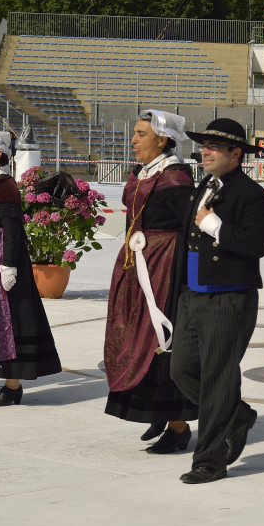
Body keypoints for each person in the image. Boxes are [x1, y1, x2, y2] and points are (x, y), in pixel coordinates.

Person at [169, 118, 264, 484]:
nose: (205, 151)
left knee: (217, 380)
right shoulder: (205, 185)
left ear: (236, 154)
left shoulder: (250, 193)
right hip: (193, 295)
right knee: (180, 369)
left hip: (228, 298)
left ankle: (210, 461)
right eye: (204, 145)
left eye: (214, 146)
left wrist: (215, 226)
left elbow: (258, 245)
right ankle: (237, 415)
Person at [103, 111, 197, 451]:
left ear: (162, 139)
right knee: (133, 334)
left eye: (141, 134)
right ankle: (157, 412)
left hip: (164, 269)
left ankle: (177, 425)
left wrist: (182, 281)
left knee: (159, 337)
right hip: (137, 264)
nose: (133, 140)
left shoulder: (176, 180)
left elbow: (189, 231)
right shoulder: (146, 173)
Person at [0, 132, 62, 406]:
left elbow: (12, 230)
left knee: (10, 320)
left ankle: (12, 385)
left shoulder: (4, 185)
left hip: (0, 264)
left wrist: (8, 266)